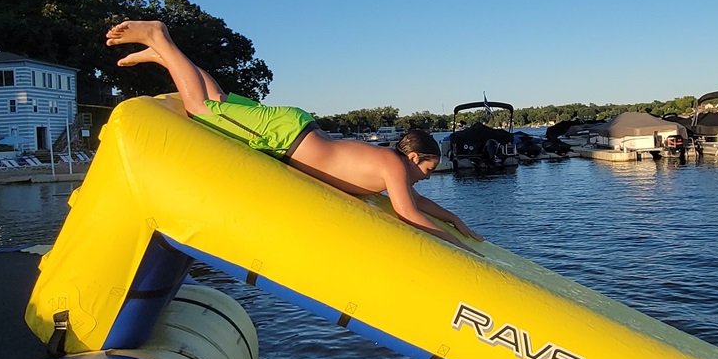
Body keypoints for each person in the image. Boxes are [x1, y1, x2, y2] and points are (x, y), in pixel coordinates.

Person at [105, 20, 482, 252]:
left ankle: (163, 57)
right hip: (285, 137)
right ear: (414, 158)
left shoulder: (391, 165)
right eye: (428, 169)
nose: (426, 178)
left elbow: (418, 202)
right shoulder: (393, 165)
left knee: (217, 100)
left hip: (295, 128)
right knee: (200, 108)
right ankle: (160, 38)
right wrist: (457, 246)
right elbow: (407, 212)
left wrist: (456, 221)